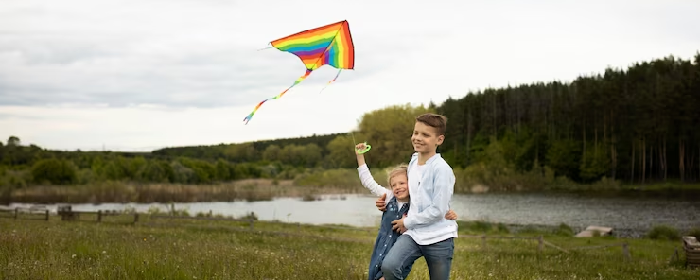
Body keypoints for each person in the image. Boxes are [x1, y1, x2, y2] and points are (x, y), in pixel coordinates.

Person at [355, 142, 457, 280]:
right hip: (381, 249)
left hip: (400, 250)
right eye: (393, 185)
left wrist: (449, 213)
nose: (397, 187)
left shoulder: (415, 204)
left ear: (411, 184)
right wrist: (360, 157)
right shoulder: (389, 197)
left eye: (402, 183)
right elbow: (368, 181)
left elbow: (437, 206)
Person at [378, 113, 458, 280]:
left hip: (439, 237)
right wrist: (386, 200)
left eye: (425, 135)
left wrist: (406, 222)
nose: (418, 138)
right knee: (389, 267)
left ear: (439, 140)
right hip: (414, 234)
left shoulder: (442, 170)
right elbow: (409, 192)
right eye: (416, 133)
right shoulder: (413, 161)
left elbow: (437, 211)